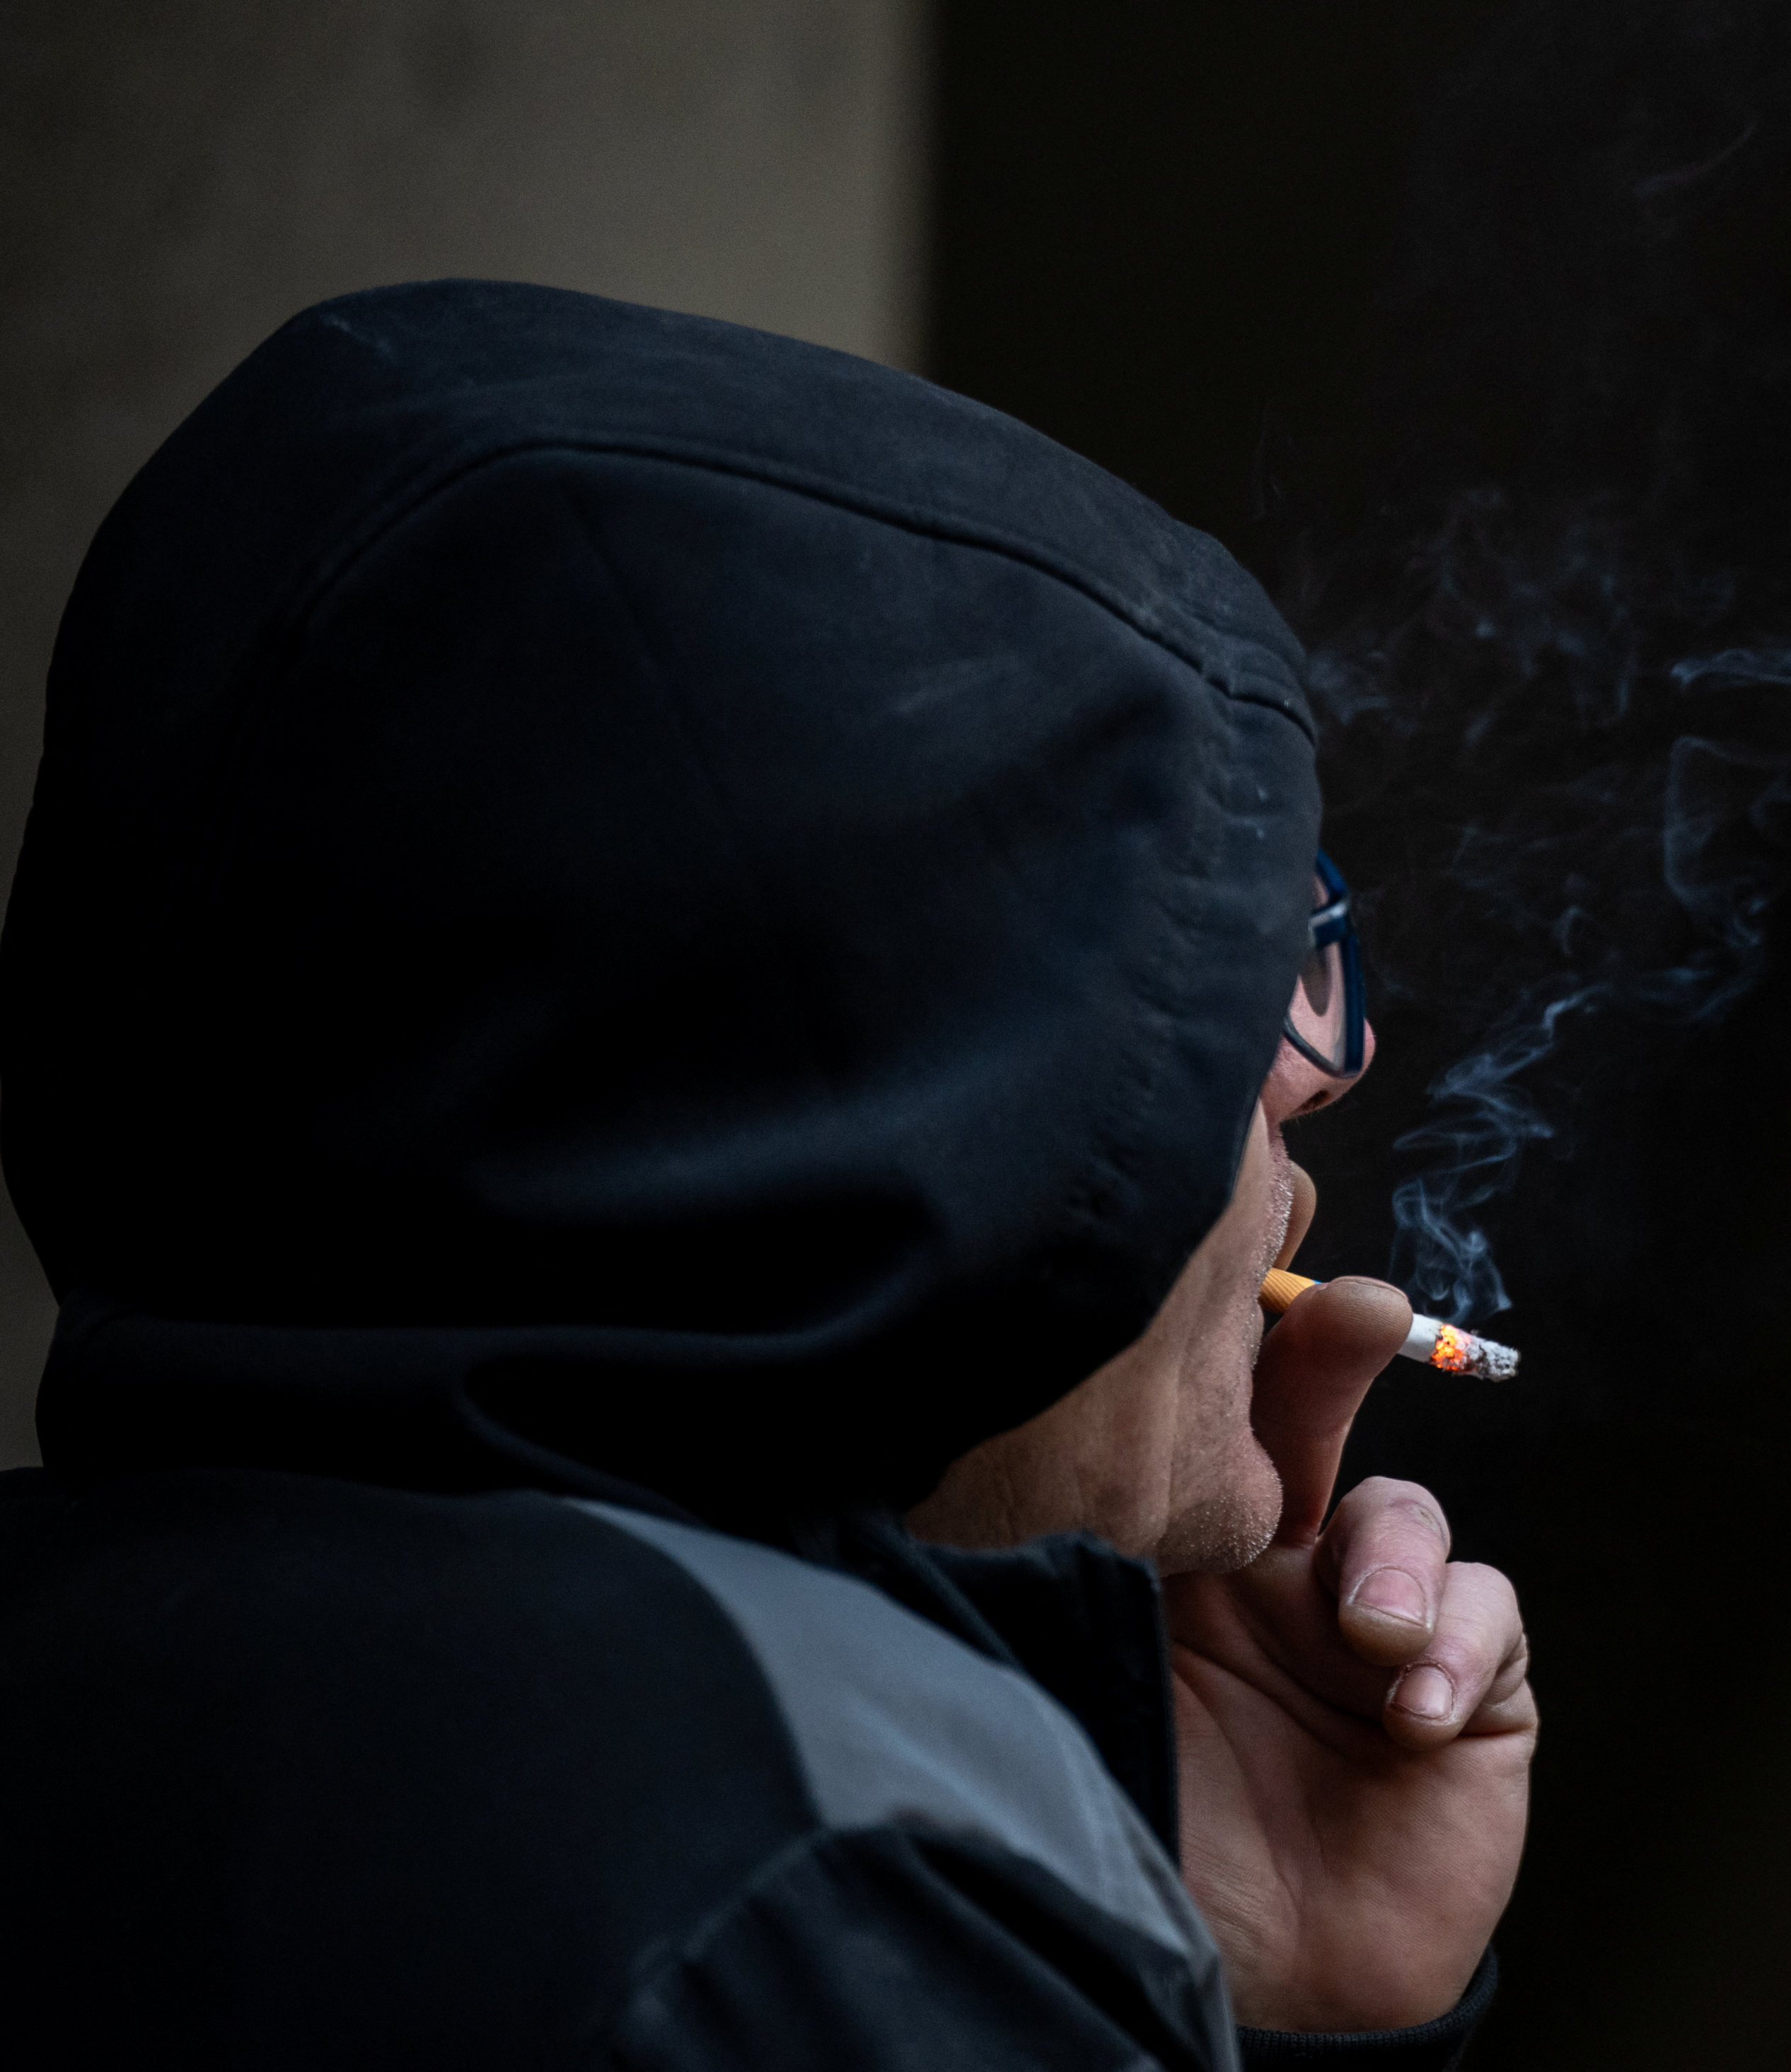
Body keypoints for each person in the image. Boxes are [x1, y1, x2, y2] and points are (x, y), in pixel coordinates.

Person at [0, 281, 1531, 2069]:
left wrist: (1205, 1946)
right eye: (1196, 964)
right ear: (866, 1096)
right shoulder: (782, 1905)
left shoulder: (128, 1666)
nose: (1308, 1073)